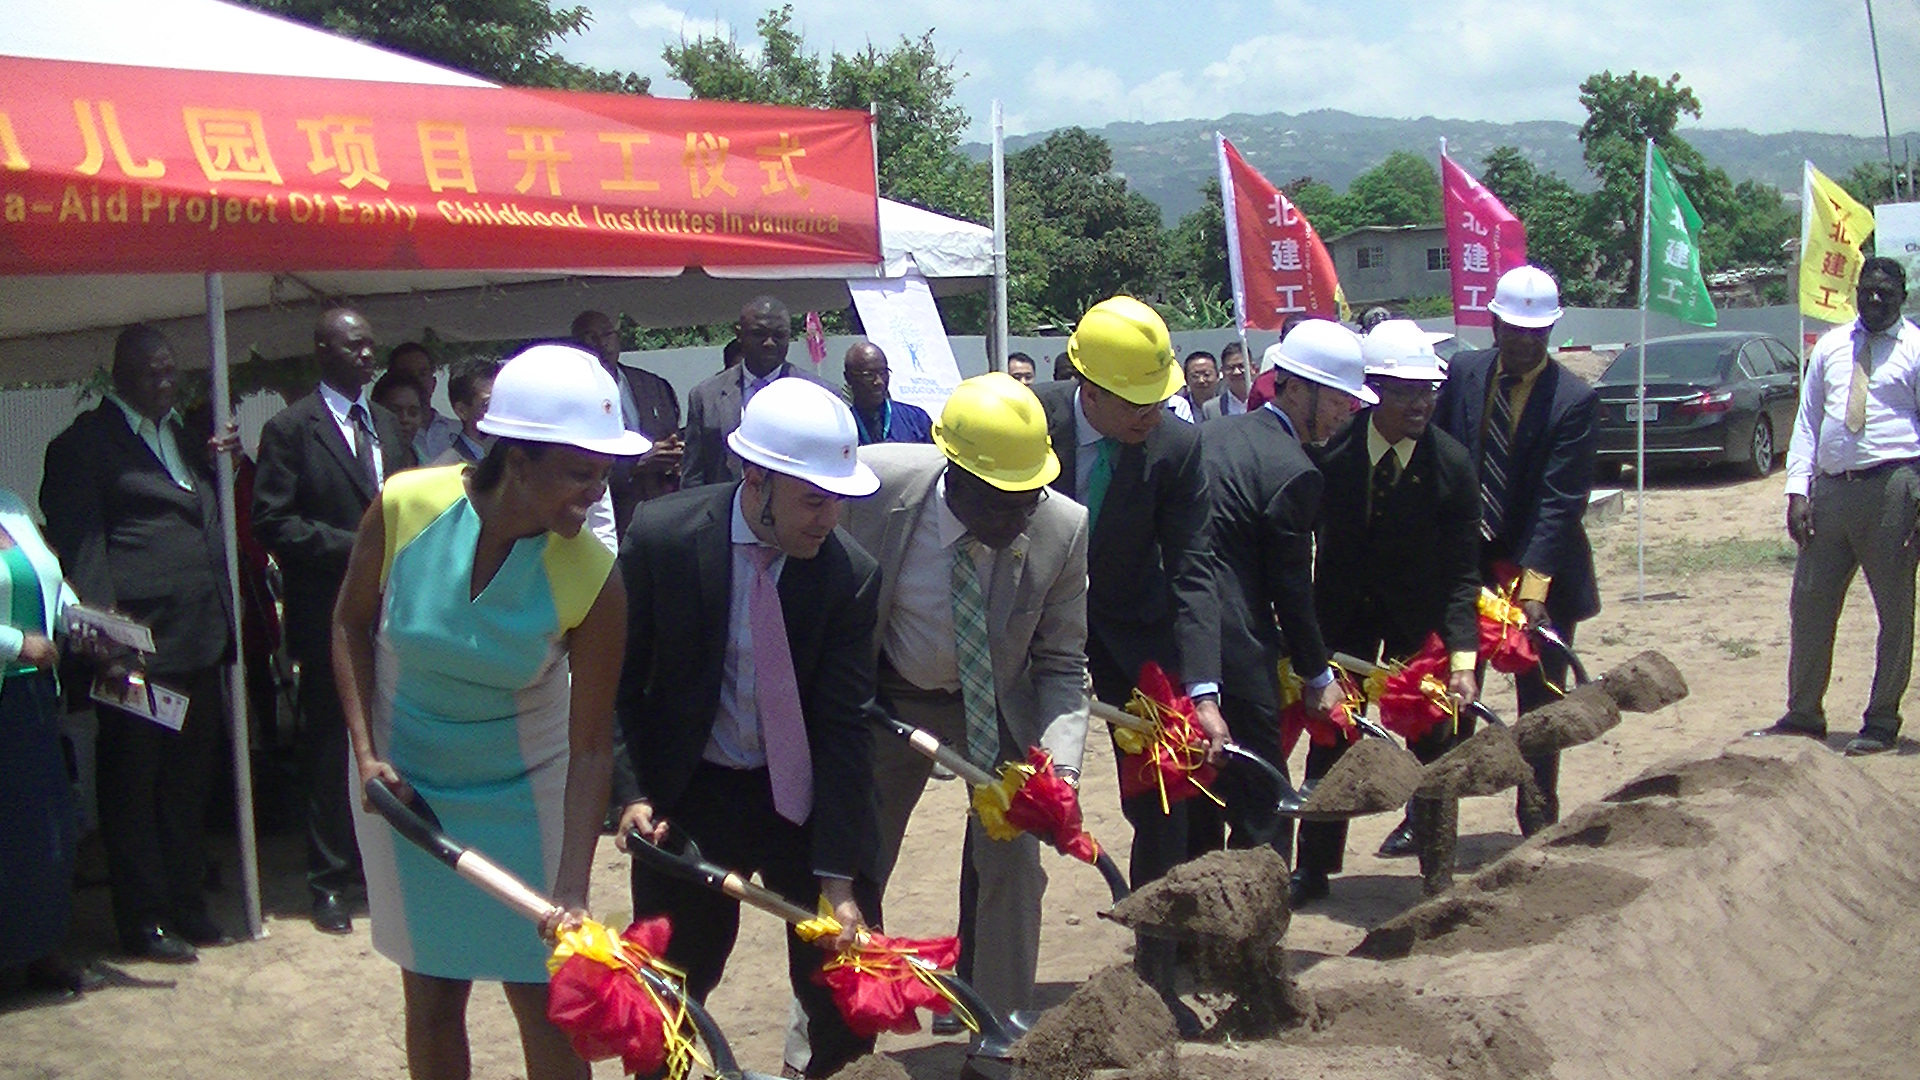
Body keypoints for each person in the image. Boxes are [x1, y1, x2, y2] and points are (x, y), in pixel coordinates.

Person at [336, 343, 638, 1080]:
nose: (595, 494)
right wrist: (368, 752)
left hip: (525, 797)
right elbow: (348, 624)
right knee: (433, 997)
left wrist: (571, 886)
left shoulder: (596, 579)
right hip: (405, 789)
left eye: (603, 475)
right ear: (519, 457)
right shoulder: (407, 505)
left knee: (545, 1004)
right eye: (579, 472)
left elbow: (593, 746)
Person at [611, 377, 883, 1079]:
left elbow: (846, 728)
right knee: (667, 991)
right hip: (693, 794)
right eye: (813, 499)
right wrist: (632, 792)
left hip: (804, 804)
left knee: (846, 993)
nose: (829, 519)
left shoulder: (849, 576)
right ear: (754, 477)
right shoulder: (663, 539)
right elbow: (618, 683)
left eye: (840, 500)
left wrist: (840, 877)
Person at [843, 373, 1089, 1025]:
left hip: (999, 710)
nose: (1018, 519)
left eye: (1028, 499)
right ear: (954, 474)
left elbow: (1064, 663)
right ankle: (827, 1039)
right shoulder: (874, 490)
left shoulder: (1061, 528)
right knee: (854, 865)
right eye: (1000, 503)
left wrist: (1058, 772)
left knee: (1013, 868)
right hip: (891, 701)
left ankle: (1002, 1032)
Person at [1035, 295, 1223, 1027]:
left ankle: (1157, 972)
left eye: (1160, 400)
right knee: (1013, 802)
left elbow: (1194, 567)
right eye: (1137, 403)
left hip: (1132, 638)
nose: (1152, 416)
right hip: (1035, 635)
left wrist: (1200, 689)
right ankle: (990, 973)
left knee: (1167, 796)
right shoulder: (1030, 422)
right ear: (1089, 389)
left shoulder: (1175, 447)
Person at [40, 324, 236, 961]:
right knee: (134, 786)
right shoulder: (83, 446)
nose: (164, 381)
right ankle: (144, 918)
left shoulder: (184, 439)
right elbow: (85, 556)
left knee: (186, 784)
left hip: (199, 641)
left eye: (169, 370)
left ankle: (185, 902)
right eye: (150, 371)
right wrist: (112, 650)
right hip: (138, 654)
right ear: (117, 375)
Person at [1299, 320, 1481, 895]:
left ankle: (1437, 865)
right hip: (1344, 621)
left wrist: (1462, 659)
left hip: (1416, 622)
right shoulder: (1331, 455)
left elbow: (1461, 573)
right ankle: (1315, 866)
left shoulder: (1451, 465)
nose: (1419, 404)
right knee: (1332, 742)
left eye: (1427, 391)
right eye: (1404, 392)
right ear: (1373, 390)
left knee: (1433, 743)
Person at [253, 306, 417, 934]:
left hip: (394, 610)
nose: (367, 356)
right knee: (332, 746)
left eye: (371, 345)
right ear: (323, 350)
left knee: (392, 736)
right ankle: (329, 881)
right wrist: (354, 547)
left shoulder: (384, 425)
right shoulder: (292, 429)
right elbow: (273, 522)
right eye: (354, 346)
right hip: (329, 611)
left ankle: (384, 868)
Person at [1202, 320, 1370, 908]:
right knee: (1266, 795)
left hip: (1180, 639)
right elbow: (1291, 588)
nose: (1346, 413)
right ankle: (1257, 931)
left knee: (1198, 799)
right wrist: (1318, 676)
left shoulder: (1217, 433)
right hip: (1234, 640)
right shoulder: (1295, 473)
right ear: (1295, 389)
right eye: (1340, 398)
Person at [1432, 265, 1598, 834]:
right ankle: (1431, 813)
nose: (1526, 342)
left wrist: (1532, 590)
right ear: (1494, 322)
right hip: (1467, 567)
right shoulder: (1464, 372)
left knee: (1540, 701)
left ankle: (1536, 805)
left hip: (1540, 567)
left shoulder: (1573, 399)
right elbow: (1444, 458)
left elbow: (1560, 500)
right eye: (1516, 329)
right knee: (1450, 689)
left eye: (1539, 332)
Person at [1754, 258, 1920, 755]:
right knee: (1809, 604)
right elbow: (1806, 422)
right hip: (1830, 493)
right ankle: (1804, 713)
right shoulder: (1830, 346)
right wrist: (1797, 490)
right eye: (1867, 291)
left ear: (1902, 295)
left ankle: (1881, 720)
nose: (1875, 300)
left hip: (1893, 489)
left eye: (1885, 293)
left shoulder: (1915, 349)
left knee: (1894, 611)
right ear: (1856, 291)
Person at [0, 485, 95, 994]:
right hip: (13, 673)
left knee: (42, 832)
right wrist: (16, 644)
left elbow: (51, 581)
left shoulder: (10, 503)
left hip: (31, 702)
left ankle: (36, 947)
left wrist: (79, 619)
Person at [680, 296, 834, 487]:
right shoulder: (705, 397)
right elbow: (693, 478)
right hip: (726, 512)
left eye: (779, 335)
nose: (769, 343)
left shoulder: (820, 396)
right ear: (739, 334)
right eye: (759, 334)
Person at [571, 310, 683, 536]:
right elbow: (572, 465)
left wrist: (676, 456)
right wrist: (634, 465)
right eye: (591, 337)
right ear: (577, 346)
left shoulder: (652, 385)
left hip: (662, 513)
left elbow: (671, 434)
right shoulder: (572, 396)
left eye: (607, 334)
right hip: (611, 521)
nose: (602, 343)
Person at [843, 342, 934, 446]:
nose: (879, 381)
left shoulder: (917, 420)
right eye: (869, 375)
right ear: (848, 378)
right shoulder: (840, 429)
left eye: (883, 372)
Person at [388, 343, 462, 464]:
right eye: (407, 375)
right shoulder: (383, 435)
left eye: (422, 374)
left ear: (434, 383)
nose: (416, 381)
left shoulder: (458, 431)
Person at [1246, 313, 1328, 411]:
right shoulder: (1263, 384)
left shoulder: (1331, 380)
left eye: (1304, 340)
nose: (1298, 346)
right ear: (1281, 340)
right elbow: (1253, 422)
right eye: (1292, 340)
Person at [430, 359, 499, 467]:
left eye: (503, 400)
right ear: (462, 411)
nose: (500, 409)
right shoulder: (447, 469)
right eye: (488, 403)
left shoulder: (514, 458)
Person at [371, 371, 428, 457]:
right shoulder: (365, 463)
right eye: (395, 411)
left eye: (413, 413)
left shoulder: (429, 467)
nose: (405, 419)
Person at [1201, 341, 1251, 421]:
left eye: (1241, 366)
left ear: (1253, 368)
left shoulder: (1266, 402)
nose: (1236, 372)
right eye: (1230, 368)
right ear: (1223, 372)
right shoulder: (1211, 409)